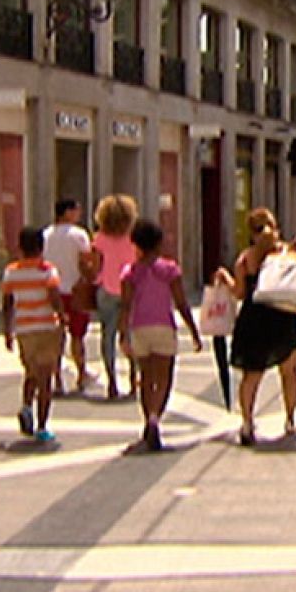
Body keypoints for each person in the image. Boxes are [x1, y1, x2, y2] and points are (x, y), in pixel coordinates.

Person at [216, 208, 296, 450]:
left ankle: (247, 423)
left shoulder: (246, 259)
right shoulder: (287, 252)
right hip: (284, 316)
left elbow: (240, 293)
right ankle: (290, 419)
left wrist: (225, 279)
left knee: (251, 376)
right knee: (289, 372)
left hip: (255, 319)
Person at [117, 219, 202, 454]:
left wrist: (122, 334)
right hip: (164, 327)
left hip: (139, 328)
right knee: (164, 378)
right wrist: (193, 331)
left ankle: (148, 420)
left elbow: (125, 305)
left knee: (146, 378)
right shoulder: (169, 270)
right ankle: (155, 418)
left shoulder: (129, 272)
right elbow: (181, 302)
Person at [1, 226, 68, 445]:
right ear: (42, 247)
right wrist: (62, 316)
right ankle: (42, 426)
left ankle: (27, 406)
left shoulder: (11, 272)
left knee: (30, 372)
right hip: (46, 327)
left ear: (19, 247)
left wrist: (7, 330)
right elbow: (54, 296)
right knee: (46, 378)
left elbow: (8, 303)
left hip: (24, 329)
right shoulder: (47, 271)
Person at [42, 198, 94, 394]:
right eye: (76, 209)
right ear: (67, 212)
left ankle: (57, 380)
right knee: (78, 336)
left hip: (53, 291)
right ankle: (81, 375)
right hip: (75, 290)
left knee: (57, 338)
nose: (79, 213)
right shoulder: (79, 235)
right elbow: (85, 262)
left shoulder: (45, 235)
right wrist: (91, 278)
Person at [90, 194, 139, 399]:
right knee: (130, 334)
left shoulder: (99, 239)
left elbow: (95, 266)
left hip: (107, 288)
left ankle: (111, 380)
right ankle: (134, 377)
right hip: (131, 289)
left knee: (107, 336)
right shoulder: (134, 238)